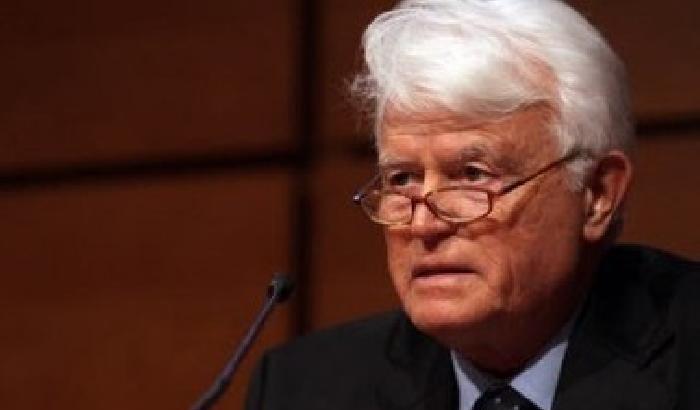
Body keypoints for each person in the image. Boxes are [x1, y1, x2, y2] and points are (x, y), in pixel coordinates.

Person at [245, 1, 700, 409]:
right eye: (402, 179)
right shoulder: (303, 390)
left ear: (598, 194)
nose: (424, 225)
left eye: (472, 176)